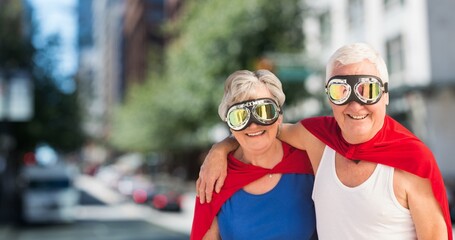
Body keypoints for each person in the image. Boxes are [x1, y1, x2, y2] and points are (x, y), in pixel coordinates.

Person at [196, 43, 453, 239]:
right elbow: (260, 129)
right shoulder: (319, 141)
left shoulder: (412, 162)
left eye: (369, 90)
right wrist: (220, 149)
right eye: (341, 90)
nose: (356, 103)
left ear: (385, 95)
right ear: (329, 98)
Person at [190, 70, 317, 240]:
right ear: (230, 125)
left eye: (264, 111)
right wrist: (219, 149)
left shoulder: (309, 161)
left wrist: (220, 148)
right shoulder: (214, 179)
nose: (253, 125)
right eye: (240, 116)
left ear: (279, 116)